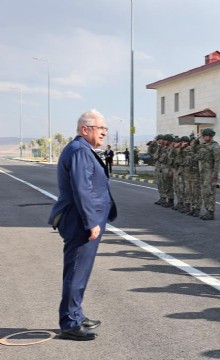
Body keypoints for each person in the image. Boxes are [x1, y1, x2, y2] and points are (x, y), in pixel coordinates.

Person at [47, 109, 117, 341]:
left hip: (84, 221)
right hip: (81, 222)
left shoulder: (83, 149)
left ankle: (76, 313)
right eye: (101, 128)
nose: (105, 133)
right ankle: (70, 323)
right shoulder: (79, 150)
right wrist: (91, 222)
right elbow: (82, 188)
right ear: (85, 129)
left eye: (105, 129)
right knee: (76, 272)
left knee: (81, 271)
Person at [198, 128, 220, 220]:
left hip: (210, 173)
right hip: (203, 172)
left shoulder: (215, 146)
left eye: (206, 136)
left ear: (210, 136)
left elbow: (217, 161)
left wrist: (214, 174)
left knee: (210, 192)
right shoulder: (203, 145)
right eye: (203, 136)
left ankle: (211, 212)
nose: (204, 137)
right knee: (204, 193)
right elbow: (193, 147)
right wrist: (196, 139)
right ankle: (207, 210)